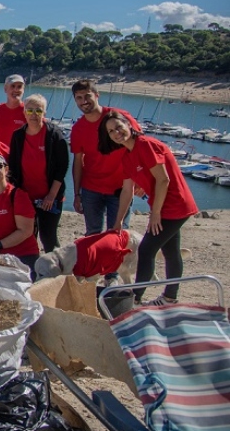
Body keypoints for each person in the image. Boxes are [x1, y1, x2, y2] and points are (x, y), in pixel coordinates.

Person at [99, 111, 198, 305]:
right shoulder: (127, 157)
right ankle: (170, 297)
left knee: (146, 250)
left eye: (119, 127)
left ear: (129, 125)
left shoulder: (146, 145)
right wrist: (117, 222)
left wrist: (156, 213)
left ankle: (135, 299)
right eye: (111, 131)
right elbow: (127, 191)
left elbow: (163, 180)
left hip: (175, 206)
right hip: (162, 207)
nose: (117, 133)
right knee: (171, 252)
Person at [70, 79, 140, 234]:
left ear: (97, 95)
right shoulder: (78, 129)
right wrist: (76, 193)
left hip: (121, 188)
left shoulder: (119, 117)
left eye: (87, 96)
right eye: (79, 98)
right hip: (91, 189)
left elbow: (140, 147)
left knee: (117, 234)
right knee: (92, 234)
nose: (84, 101)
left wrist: (141, 180)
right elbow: (78, 162)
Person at [7, 94, 69, 253]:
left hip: (50, 196)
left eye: (38, 111)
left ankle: (56, 270)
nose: (34, 114)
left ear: (44, 113)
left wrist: (51, 195)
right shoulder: (18, 136)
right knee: (27, 236)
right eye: (30, 110)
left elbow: (62, 168)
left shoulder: (54, 135)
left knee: (48, 236)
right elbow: (12, 166)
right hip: (26, 196)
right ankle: (31, 269)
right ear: (24, 112)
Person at [0, 74, 27, 151]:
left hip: (21, 157)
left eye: (19, 87)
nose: (16, 90)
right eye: (12, 86)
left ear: (23, 90)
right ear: (5, 89)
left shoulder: (29, 112)